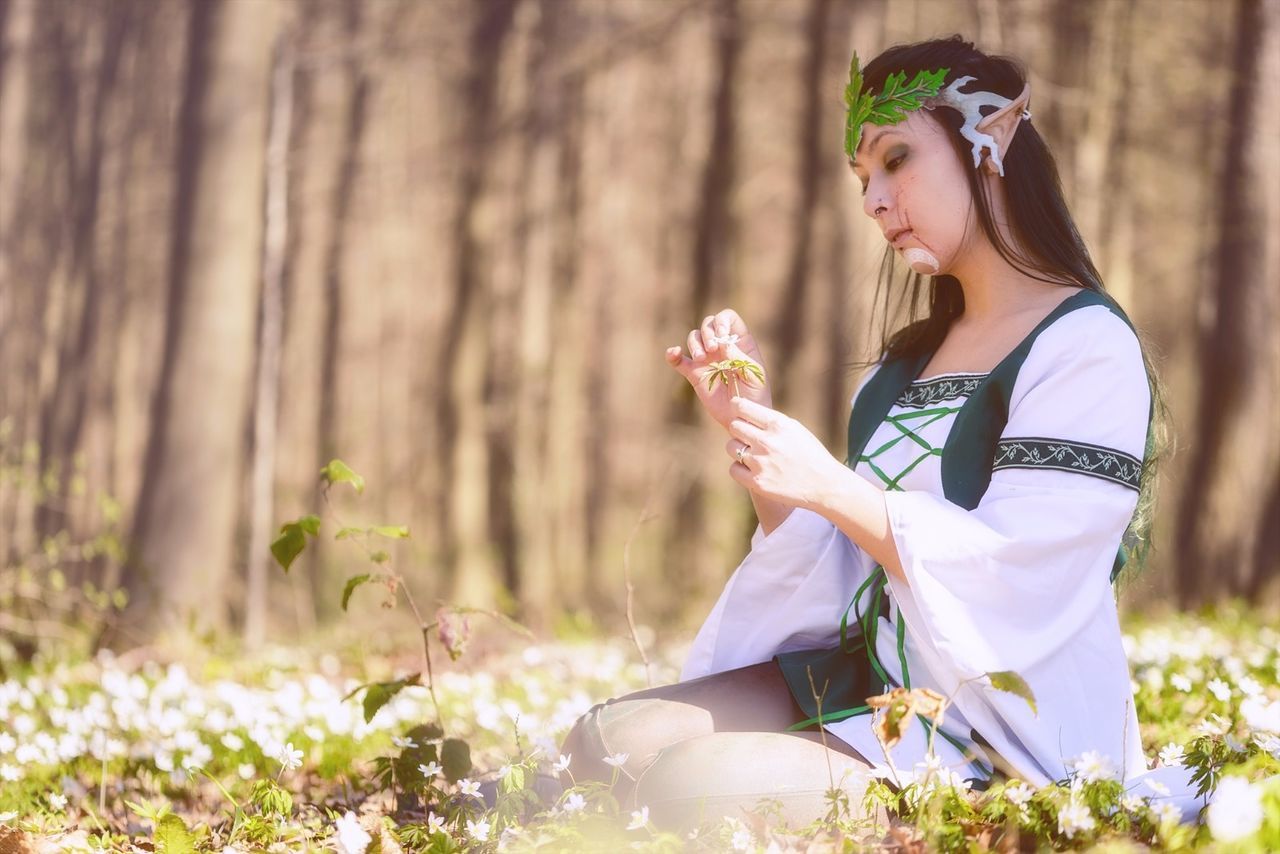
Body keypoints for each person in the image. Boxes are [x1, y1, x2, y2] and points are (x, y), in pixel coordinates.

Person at [558, 35, 1200, 832]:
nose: (872, 200)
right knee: (606, 741)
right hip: (876, 681)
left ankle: (976, 819)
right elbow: (840, 568)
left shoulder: (1085, 344)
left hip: (1001, 727)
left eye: (896, 160)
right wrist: (756, 435)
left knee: (686, 786)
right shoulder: (906, 364)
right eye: (863, 178)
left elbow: (1027, 571)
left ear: (992, 139)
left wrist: (833, 485)